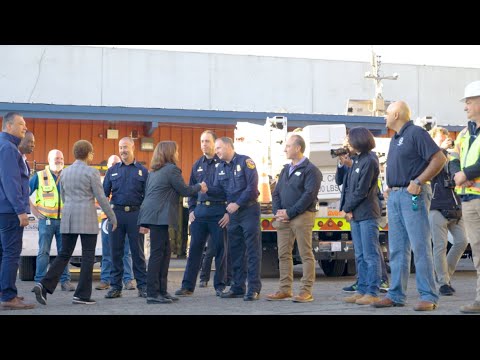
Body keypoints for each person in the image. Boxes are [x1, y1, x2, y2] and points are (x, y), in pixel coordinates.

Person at [372, 101, 446, 311]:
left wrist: (418, 181)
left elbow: (439, 158)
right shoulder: (396, 138)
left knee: (420, 247)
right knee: (396, 249)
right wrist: (389, 187)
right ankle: (396, 294)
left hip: (412, 195)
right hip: (396, 196)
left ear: (396, 114)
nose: (384, 117)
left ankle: (428, 296)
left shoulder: (415, 133)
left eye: (387, 113)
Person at [33, 140, 117, 305]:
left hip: (68, 218)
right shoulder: (91, 172)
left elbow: (63, 196)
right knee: (87, 256)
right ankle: (82, 295)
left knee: (64, 254)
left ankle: (43, 285)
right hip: (87, 218)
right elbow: (101, 198)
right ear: (89, 154)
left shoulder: (65, 172)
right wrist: (112, 217)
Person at [138, 141, 207, 304]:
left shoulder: (154, 171)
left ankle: (162, 291)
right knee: (157, 254)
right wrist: (200, 186)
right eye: (176, 151)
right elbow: (184, 190)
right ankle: (153, 293)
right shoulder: (172, 170)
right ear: (170, 153)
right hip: (158, 215)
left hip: (152, 214)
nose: (177, 154)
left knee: (165, 252)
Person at [266, 134, 322, 303]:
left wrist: (290, 212)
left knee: (305, 254)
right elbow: (276, 192)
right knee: (283, 254)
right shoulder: (285, 169)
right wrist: (278, 211)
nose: (285, 149)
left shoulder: (311, 170)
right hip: (283, 218)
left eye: (288, 146)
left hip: (302, 216)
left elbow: (308, 196)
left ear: (298, 148)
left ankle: (306, 291)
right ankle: (285, 290)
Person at [175, 130, 230, 298]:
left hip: (218, 213)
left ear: (215, 143)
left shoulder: (223, 164)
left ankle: (220, 286)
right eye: (202, 141)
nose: (204, 144)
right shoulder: (197, 164)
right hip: (199, 213)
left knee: (220, 250)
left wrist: (228, 212)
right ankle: (187, 286)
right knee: (194, 251)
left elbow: (228, 190)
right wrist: (191, 210)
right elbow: (191, 189)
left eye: (207, 141)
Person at [336, 128, 383, 305]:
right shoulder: (355, 160)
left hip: (366, 213)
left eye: (349, 140)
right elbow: (341, 182)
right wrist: (341, 164)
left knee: (371, 255)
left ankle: (372, 291)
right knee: (360, 255)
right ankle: (361, 289)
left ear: (359, 140)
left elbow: (361, 190)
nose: (347, 144)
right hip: (355, 214)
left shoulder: (370, 160)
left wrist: (347, 208)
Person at [215, 137, 262, 301]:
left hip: (249, 210)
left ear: (228, 146)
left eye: (219, 148)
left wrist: (237, 204)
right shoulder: (220, 167)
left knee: (252, 250)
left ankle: (254, 288)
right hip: (233, 215)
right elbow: (218, 191)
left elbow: (252, 187)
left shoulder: (246, 161)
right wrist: (200, 190)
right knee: (235, 251)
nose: (217, 151)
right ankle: (238, 287)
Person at [103, 137, 148, 299]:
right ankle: (115, 287)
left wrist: (145, 221)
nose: (122, 151)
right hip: (117, 216)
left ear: (133, 147)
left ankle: (142, 286)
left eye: (125, 147)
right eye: (120, 148)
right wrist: (109, 216)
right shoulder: (112, 170)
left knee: (138, 253)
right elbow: (103, 195)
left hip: (136, 216)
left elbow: (148, 197)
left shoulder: (142, 171)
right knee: (116, 252)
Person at [0, 112, 35, 310]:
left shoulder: (5, 146)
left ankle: (4, 290)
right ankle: (8, 297)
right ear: (9, 126)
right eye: (21, 124)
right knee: (11, 254)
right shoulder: (8, 148)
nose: (25, 127)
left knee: (3, 253)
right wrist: (21, 211)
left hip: (3, 209)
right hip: (9, 211)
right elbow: (11, 182)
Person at [450, 80, 480, 313]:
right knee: (478, 251)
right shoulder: (463, 133)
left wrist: (466, 174)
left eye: (469, 102)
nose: (465, 107)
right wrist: (458, 175)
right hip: (469, 199)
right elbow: (453, 157)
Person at [28, 149, 76, 292]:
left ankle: (65, 281)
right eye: (56, 158)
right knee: (43, 252)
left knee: (64, 253)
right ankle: (40, 282)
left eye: (61, 158)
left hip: (64, 221)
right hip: (46, 221)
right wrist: (35, 211)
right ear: (49, 160)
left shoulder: (68, 175)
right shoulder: (40, 176)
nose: (59, 160)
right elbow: (24, 193)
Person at [428, 126, 467, 296]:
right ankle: (443, 282)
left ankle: (445, 276)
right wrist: (442, 149)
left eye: (446, 137)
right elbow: (434, 170)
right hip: (437, 206)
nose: (446, 139)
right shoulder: (430, 156)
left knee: (462, 241)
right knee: (439, 246)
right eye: (441, 137)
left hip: (456, 206)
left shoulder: (452, 156)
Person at [96, 154, 135, 291]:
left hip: (122, 219)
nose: (114, 166)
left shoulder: (126, 179)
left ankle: (128, 279)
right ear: (107, 166)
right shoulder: (103, 180)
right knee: (107, 251)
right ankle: (105, 280)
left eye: (116, 163)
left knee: (126, 251)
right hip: (107, 219)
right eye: (111, 164)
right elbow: (100, 198)